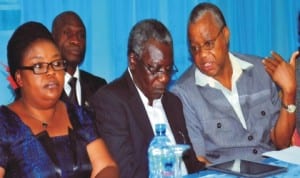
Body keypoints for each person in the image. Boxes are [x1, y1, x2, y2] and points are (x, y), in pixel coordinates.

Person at [171, 2, 297, 165]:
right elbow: (199, 161)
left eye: (208, 44)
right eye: (194, 48)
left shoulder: (260, 70)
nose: (202, 55)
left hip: (273, 169)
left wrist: (289, 93)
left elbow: (282, 143)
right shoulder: (184, 93)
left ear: (225, 34)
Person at [0, 21, 119, 178]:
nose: (51, 73)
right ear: (19, 78)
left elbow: (106, 166)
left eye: (56, 63)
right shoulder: (5, 124)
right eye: (39, 66)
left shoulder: (80, 116)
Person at [89, 19, 205, 178]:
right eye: (155, 69)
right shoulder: (110, 101)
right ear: (133, 61)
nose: (164, 78)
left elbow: (190, 163)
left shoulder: (173, 103)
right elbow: (126, 172)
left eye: (168, 69)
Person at [52, 11, 107, 107]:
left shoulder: (99, 87)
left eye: (81, 35)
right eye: (67, 33)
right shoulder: (44, 86)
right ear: (53, 37)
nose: (76, 41)